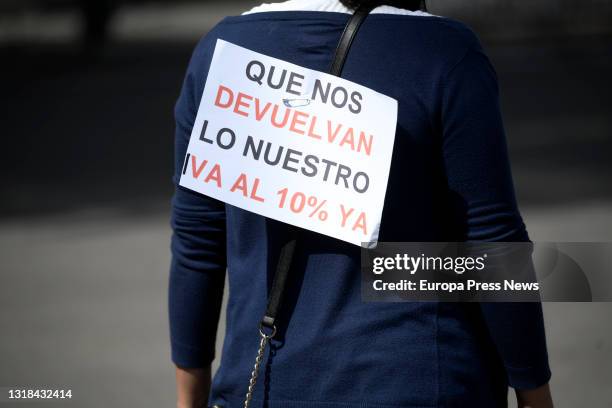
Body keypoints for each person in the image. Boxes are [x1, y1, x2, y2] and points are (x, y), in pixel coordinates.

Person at [168, 0, 554, 407]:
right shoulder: (444, 52)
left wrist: (189, 399)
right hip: (423, 384)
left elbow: (198, 248)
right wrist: (535, 392)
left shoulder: (222, 50)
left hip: (266, 386)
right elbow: (492, 244)